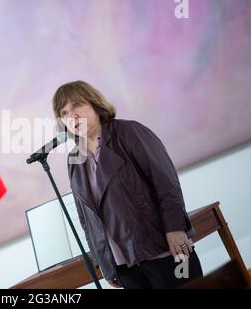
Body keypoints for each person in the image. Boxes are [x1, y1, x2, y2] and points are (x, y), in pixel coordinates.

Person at [52, 80, 203, 289]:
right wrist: (104, 262)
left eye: (77, 105)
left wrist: (176, 228)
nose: (72, 116)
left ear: (95, 103)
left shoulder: (129, 132)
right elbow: (87, 219)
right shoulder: (74, 159)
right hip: (124, 266)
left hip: (164, 248)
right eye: (64, 112)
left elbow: (166, 183)